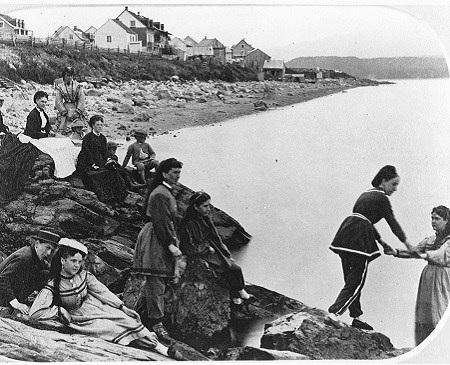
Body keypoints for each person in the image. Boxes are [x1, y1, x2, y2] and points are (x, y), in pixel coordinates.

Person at [29, 238, 184, 360]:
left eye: (79, 261)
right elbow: (35, 313)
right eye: (73, 261)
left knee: (128, 319)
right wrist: (59, 310)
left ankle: (161, 349)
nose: (77, 265)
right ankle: (155, 348)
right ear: (63, 261)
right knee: (112, 328)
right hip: (80, 318)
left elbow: (102, 291)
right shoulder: (53, 284)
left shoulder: (84, 276)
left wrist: (121, 307)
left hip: (96, 307)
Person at [327, 165, 412, 331]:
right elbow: (392, 223)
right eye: (393, 184)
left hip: (346, 234)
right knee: (357, 280)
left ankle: (357, 317)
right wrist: (407, 244)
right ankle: (334, 313)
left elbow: (364, 219)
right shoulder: (382, 198)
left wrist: (381, 242)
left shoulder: (365, 194)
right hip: (360, 237)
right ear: (383, 181)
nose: (395, 189)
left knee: (350, 278)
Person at [133, 158, 183, 343]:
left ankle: (137, 316)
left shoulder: (165, 191)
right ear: (164, 173)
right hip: (156, 238)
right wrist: (170, 245)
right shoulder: (160, 193)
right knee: (156, 282)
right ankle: (155, 322)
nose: (177, 176)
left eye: (179, 173)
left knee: (157, 281)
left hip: (161, 236)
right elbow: (160, 221)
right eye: (174, 173)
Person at [178, 191, 256, 310]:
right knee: (229, 270)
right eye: (205, 206)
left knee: (233, 268)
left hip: (213, 249)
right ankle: (240, 296)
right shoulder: (187, 224)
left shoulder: (205, 218)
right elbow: (188, 248)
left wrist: (226, 253)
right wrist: (206, 248)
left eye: (209, 205)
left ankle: (238, 297)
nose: (209, 209)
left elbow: (216, 237)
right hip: (200, 253)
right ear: (195, 207)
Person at [385, 205, 450, 345]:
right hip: (428, 278)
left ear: (446, 220)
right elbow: (414, 252)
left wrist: (424, 255)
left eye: (437, 218)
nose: (433, 221)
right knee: (424, 313)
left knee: (440, 310)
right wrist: (396, 252)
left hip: (442, 279)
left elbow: (440, 255)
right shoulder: (430, 240)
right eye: (432, 218)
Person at [0, 229, 60, 314]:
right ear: (37, 243)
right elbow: (2, 279)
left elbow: (49, 272)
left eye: (52, 250)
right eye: (47, 248)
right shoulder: (25, 257)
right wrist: (16, 304)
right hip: (2, 296)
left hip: (13, 294)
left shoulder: (37, 257)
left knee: (46, 274)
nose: (49, 253)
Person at [76, 115, 128, 204]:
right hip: (87, 162)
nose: (100, 127)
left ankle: (118, 195)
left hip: (99, 160)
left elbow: (105, 151)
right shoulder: (87, 138)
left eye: (101, 125)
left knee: (114, 169)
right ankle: (106, 197)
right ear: (93, 125)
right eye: (98, 125)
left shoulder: (103, 137)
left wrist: (108, 159)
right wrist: (93, 164)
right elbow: (86, 152)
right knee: (100, 174)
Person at [55, 67, 86, 135]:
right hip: (66, 107)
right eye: (68, 75)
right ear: (64, 76)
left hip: (76, 106)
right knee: (63, 126)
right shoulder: (60, 87)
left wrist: (78, 111)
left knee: (81, 125)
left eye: (71, 75)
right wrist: (63, 111)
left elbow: (81, 99)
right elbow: (58, 101)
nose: (70, 77)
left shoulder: (78, 85)